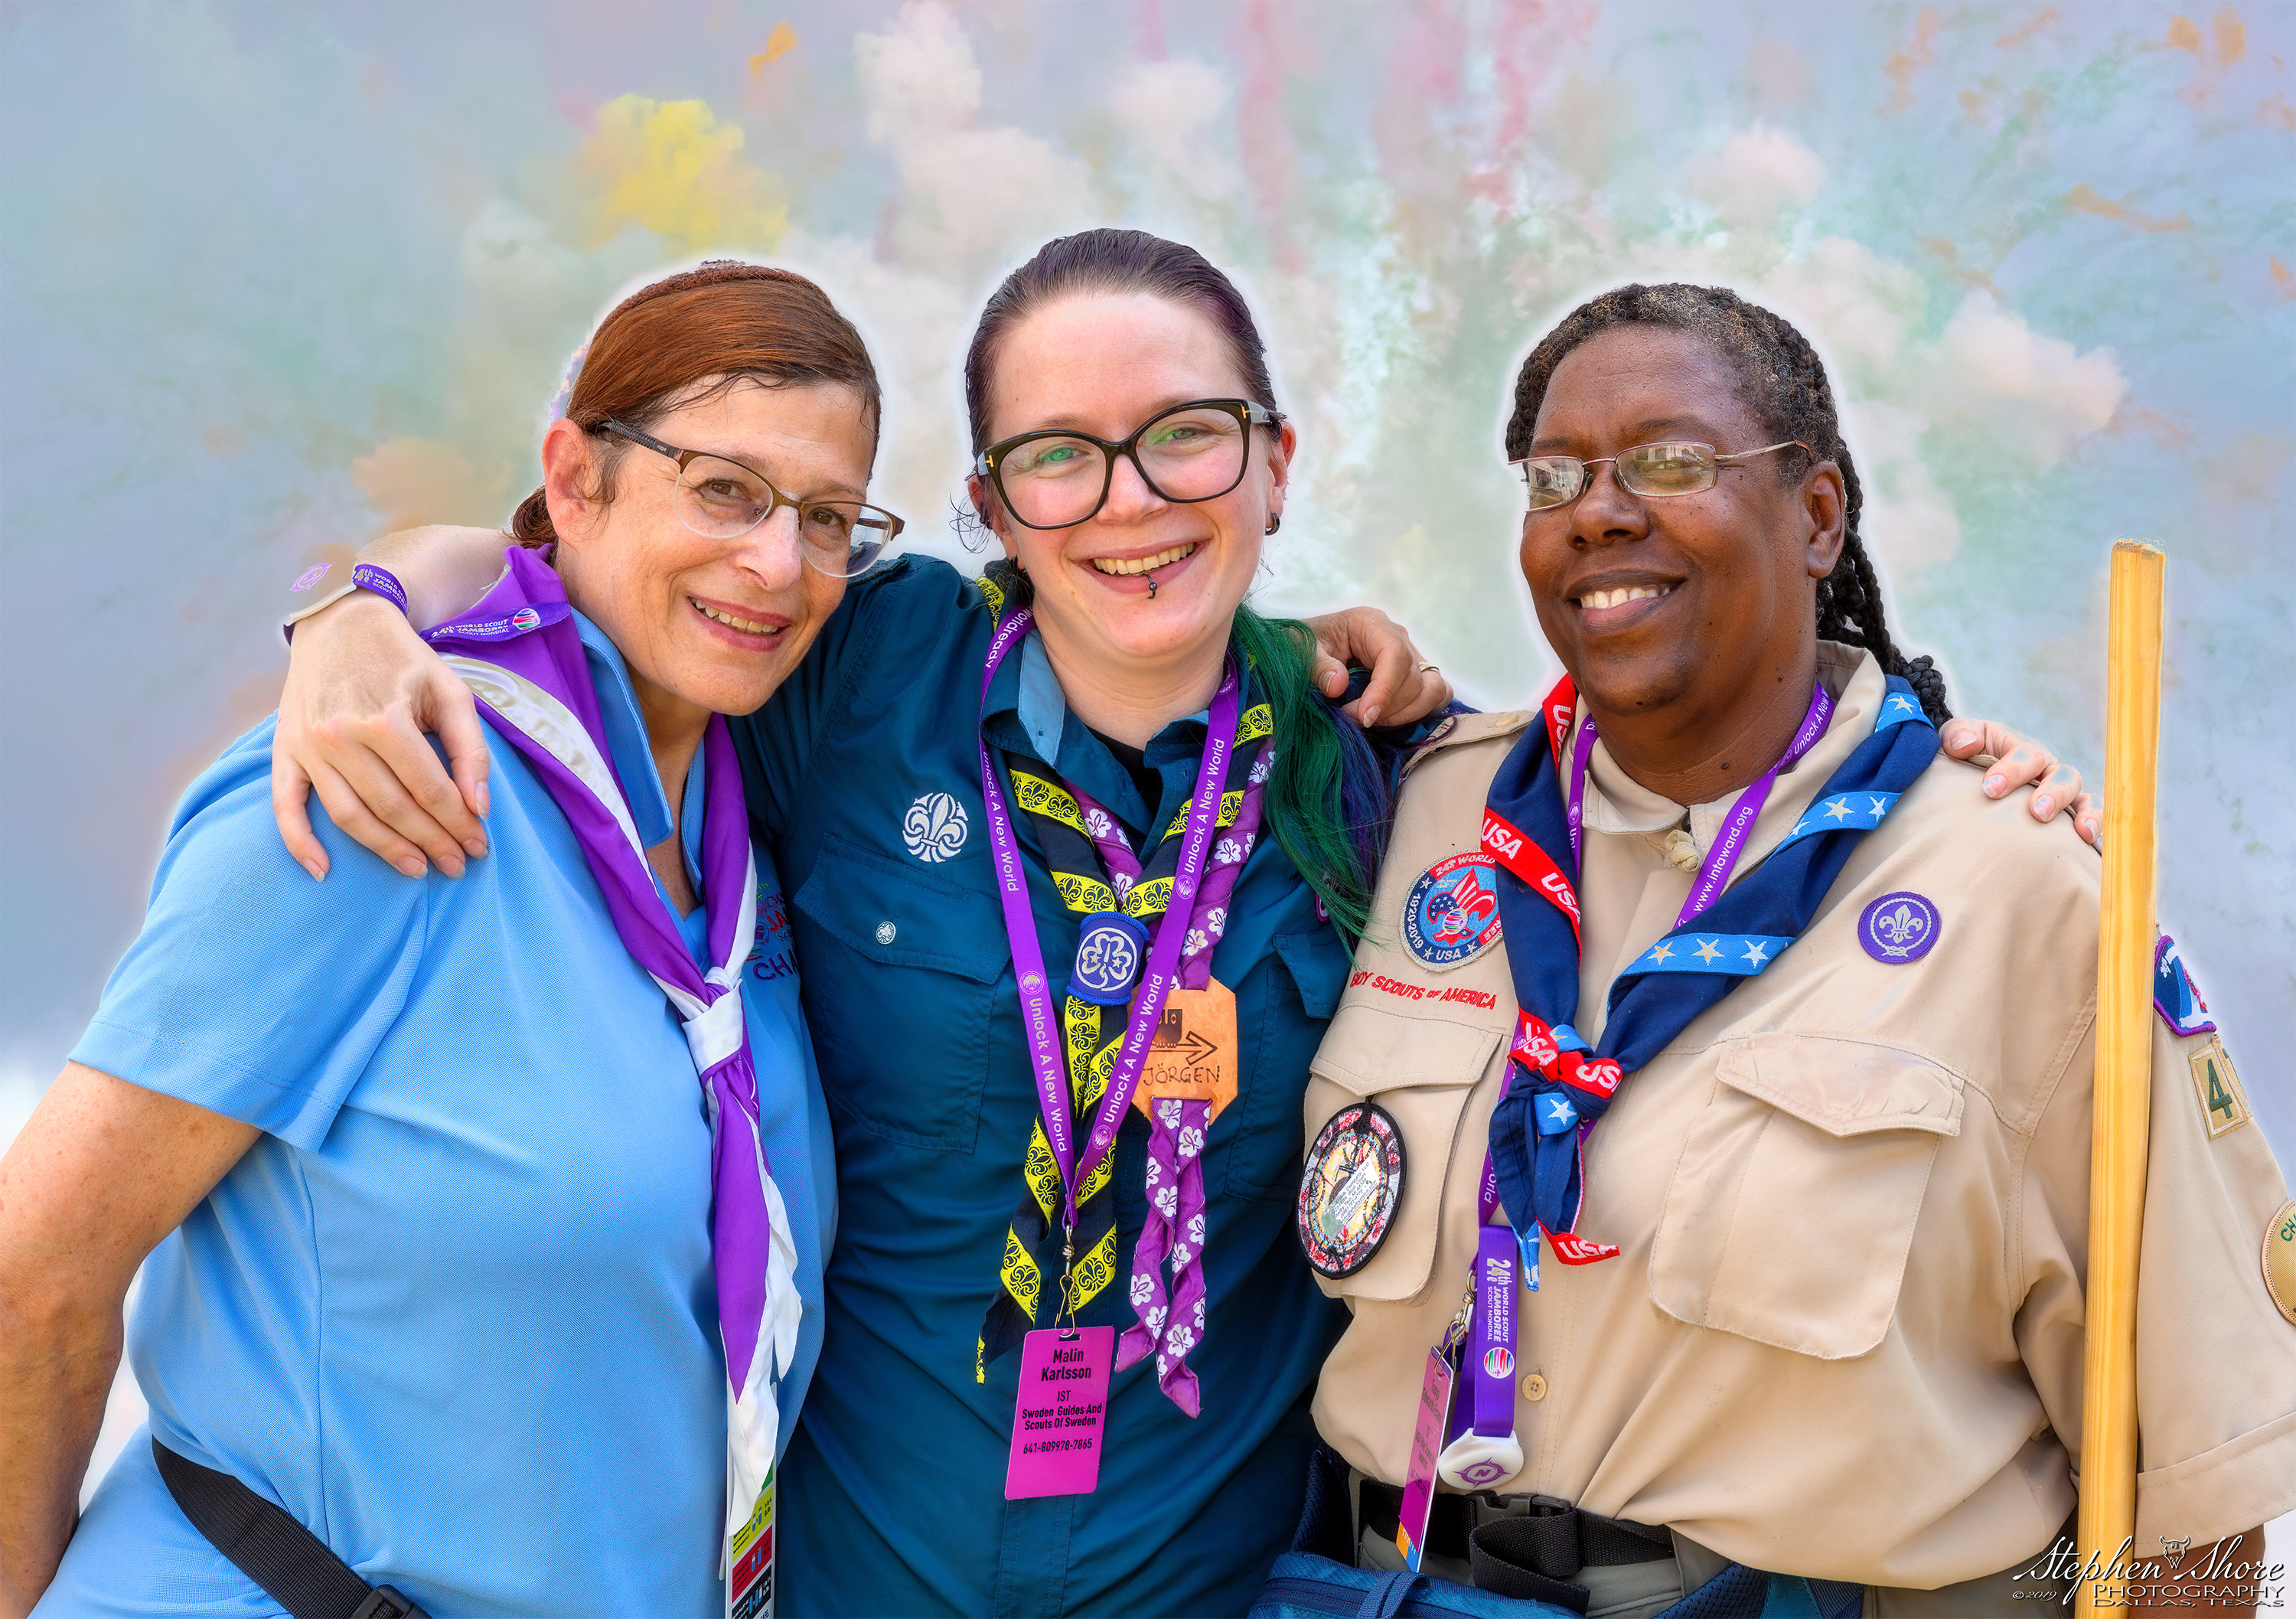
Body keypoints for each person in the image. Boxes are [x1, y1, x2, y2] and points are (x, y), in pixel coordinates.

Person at [265, 236, 2093, 1618]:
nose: (1130, 502)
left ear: (1279, 465)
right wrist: (356, 609)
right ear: (990, 506)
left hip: (1214, 1589)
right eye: (1060, 457)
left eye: (1188, 440)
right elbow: (557, 583)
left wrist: (1957, 776)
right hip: (836, 1582)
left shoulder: (1390, 768)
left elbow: (1695, 800)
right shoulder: (853, 670)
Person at [1294, 283, 2294, 1617]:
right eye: (1555, 476)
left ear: (1819, 515)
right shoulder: (1418, 806)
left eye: (1670, 462)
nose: (1599, 509)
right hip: (1387, 1586)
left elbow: (2195, 1494)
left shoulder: (2024, 892)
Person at [0, 262, 876, 1617]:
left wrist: (1317, 657)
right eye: (723, 490)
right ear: (574, 477)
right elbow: (36, 1277)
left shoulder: (747, 825)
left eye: (828, 519)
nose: (779, 562)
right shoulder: (373, 794)